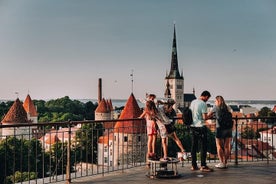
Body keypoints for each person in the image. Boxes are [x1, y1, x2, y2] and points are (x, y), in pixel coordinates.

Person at [190, 90, 214, 172]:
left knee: (194, 146)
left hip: (192, 126)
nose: (207, 100)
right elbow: (204, 118)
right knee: (203, 146)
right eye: (207, 98)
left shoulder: (193, 102)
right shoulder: (203, 104)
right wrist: (210, 115)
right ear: (205, 96)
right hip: (200, 126)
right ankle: (203, 165)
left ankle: (193, 165)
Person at [208, 95, 232, 169]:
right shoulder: (227, 107)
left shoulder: (216, 107)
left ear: (217, 101)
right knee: (227, 146)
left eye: (215, 101)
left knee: (219, 146)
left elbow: (208, 115)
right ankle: (225, 163)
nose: (215, 102)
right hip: (228, 128)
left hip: (220, 128)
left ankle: (221, 162)